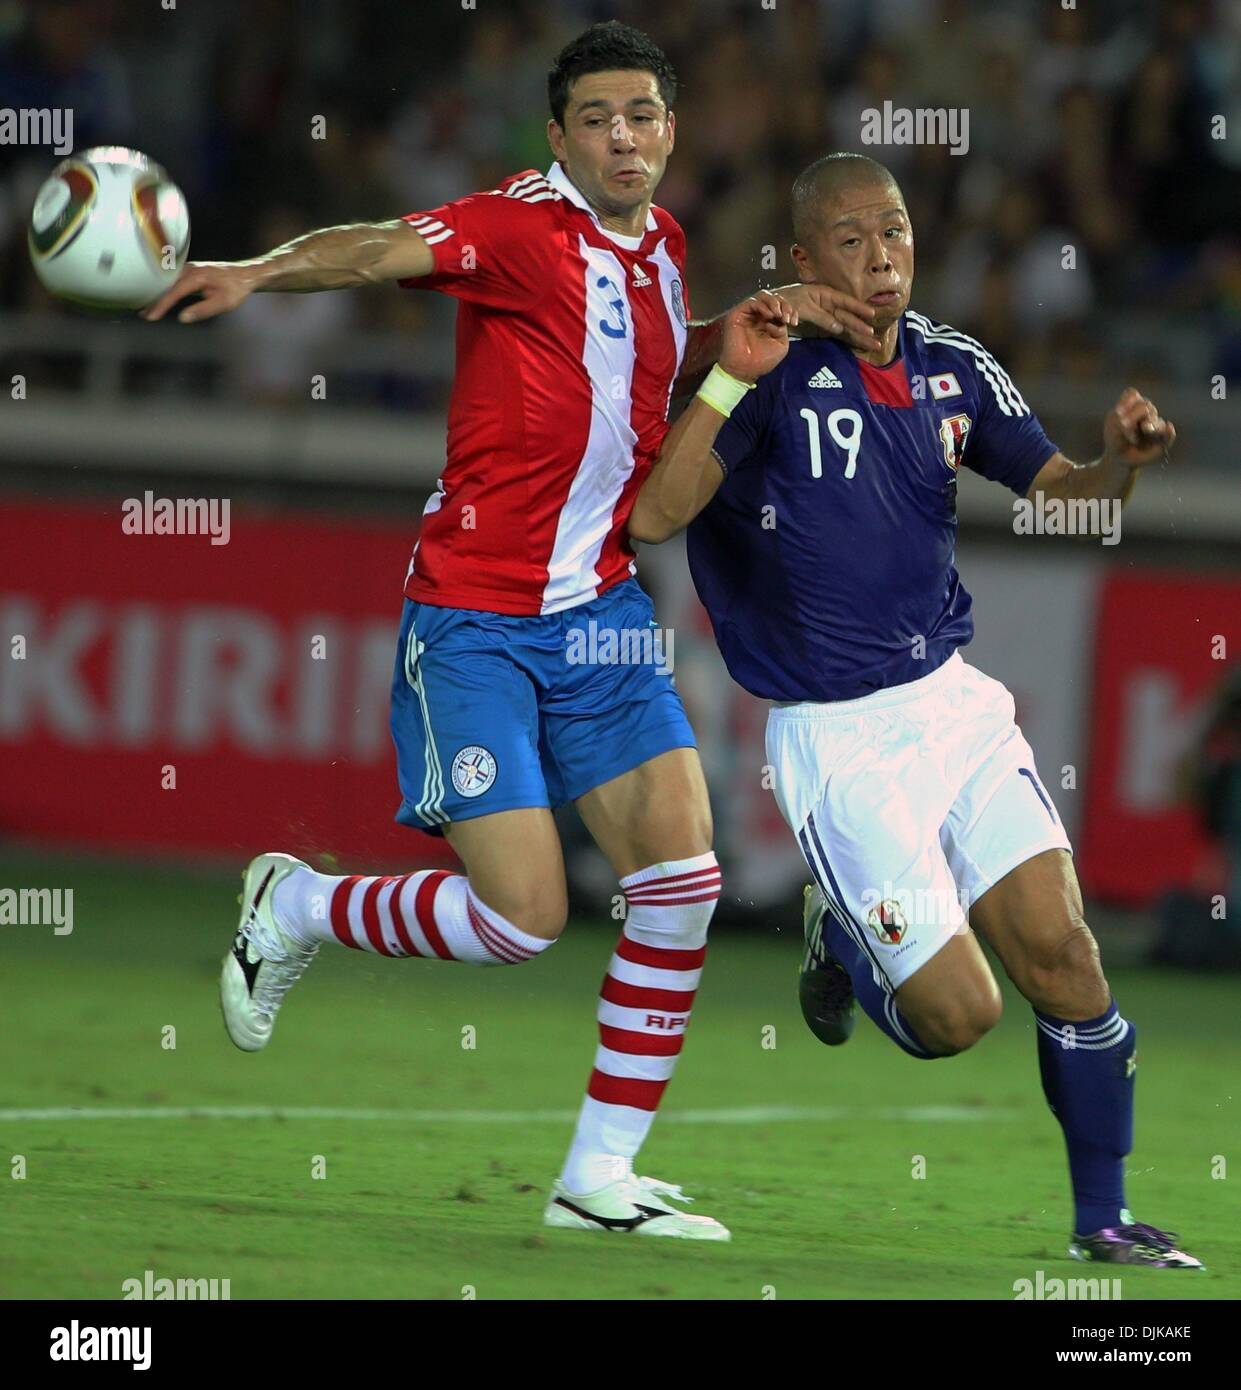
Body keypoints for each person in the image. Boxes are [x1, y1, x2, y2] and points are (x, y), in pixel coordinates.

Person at [142, 23, 875, 1239]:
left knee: (681, 881)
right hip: (475, 617)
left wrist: (728, 341)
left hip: (598, 617)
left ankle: (596, 1179)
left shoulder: (664, 253)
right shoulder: (512, 224)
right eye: (596, 117)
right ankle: (298, 907)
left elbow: (637, 373)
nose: (623, 135)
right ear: (558, 135)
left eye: (641, 113)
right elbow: (378, 249)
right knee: (519, 920)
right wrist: (259, 272)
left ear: (670, 128)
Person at [628, 151, 1203, 1269]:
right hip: (833, 737)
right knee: (956, 1019)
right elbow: (654, 515)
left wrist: (1119, 464)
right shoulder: (767, 373)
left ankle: (1102, 1220)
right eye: (847, 238)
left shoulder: (951, 366)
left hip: (951, 708)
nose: (878, 253)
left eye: (890, 229)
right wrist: (727, 376)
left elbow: (1067, 502)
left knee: (1066, 958)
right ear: (800, 261)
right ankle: (841, 936)